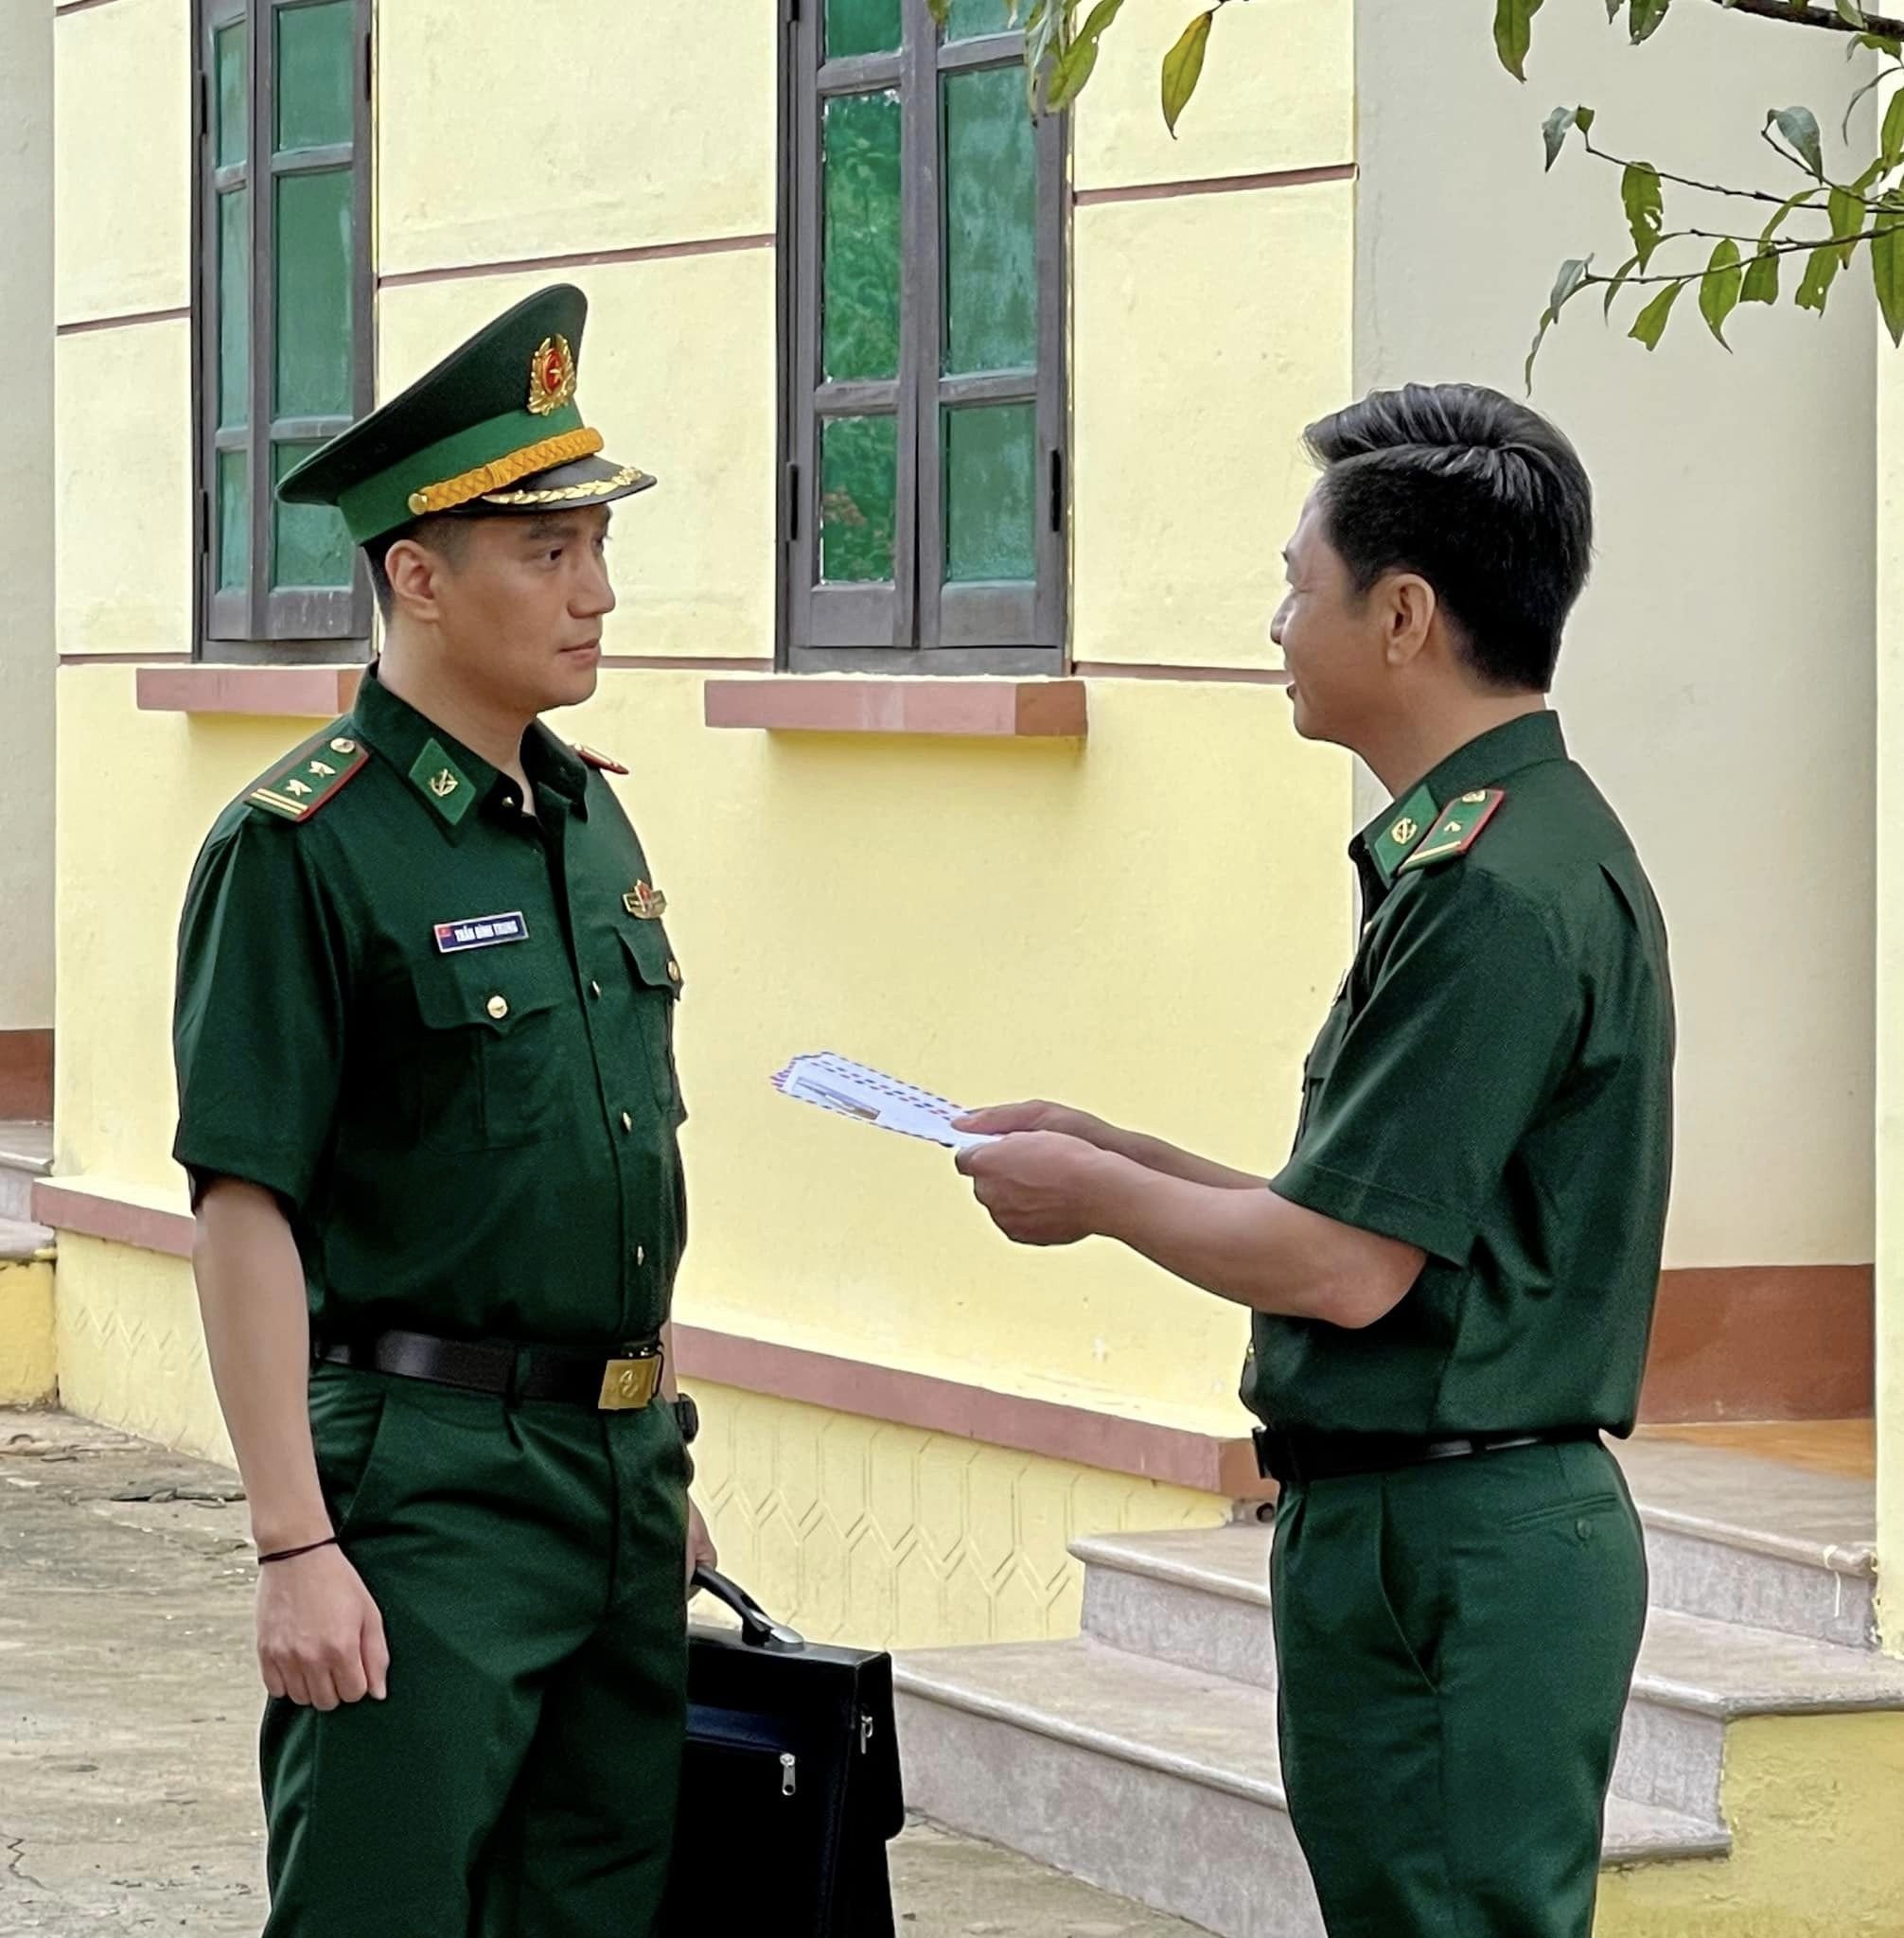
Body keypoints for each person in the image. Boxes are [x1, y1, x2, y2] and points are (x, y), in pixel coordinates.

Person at [953, 382, 1672, 1938]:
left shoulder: (1490, 886)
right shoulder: (1489, 848)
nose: (1278, 619)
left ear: (1403, 614)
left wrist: (1094, 1203)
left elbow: (1346, 1270)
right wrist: (1114, 1149)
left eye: (1300, 583)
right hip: (1429, 1527)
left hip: (1456, 1550)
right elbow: (1368, 1205)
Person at [172, 283, 717, 1938]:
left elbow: (618, 1161)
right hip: (425, 1497)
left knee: (593, 1915)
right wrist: (292, 1548)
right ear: (416, 572)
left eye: (594, 548)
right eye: (545, 553)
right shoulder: (303, 847)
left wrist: (652, 1443)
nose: (596, 593)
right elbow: (242, 1205)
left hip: (618, 1484)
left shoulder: (583, 822)